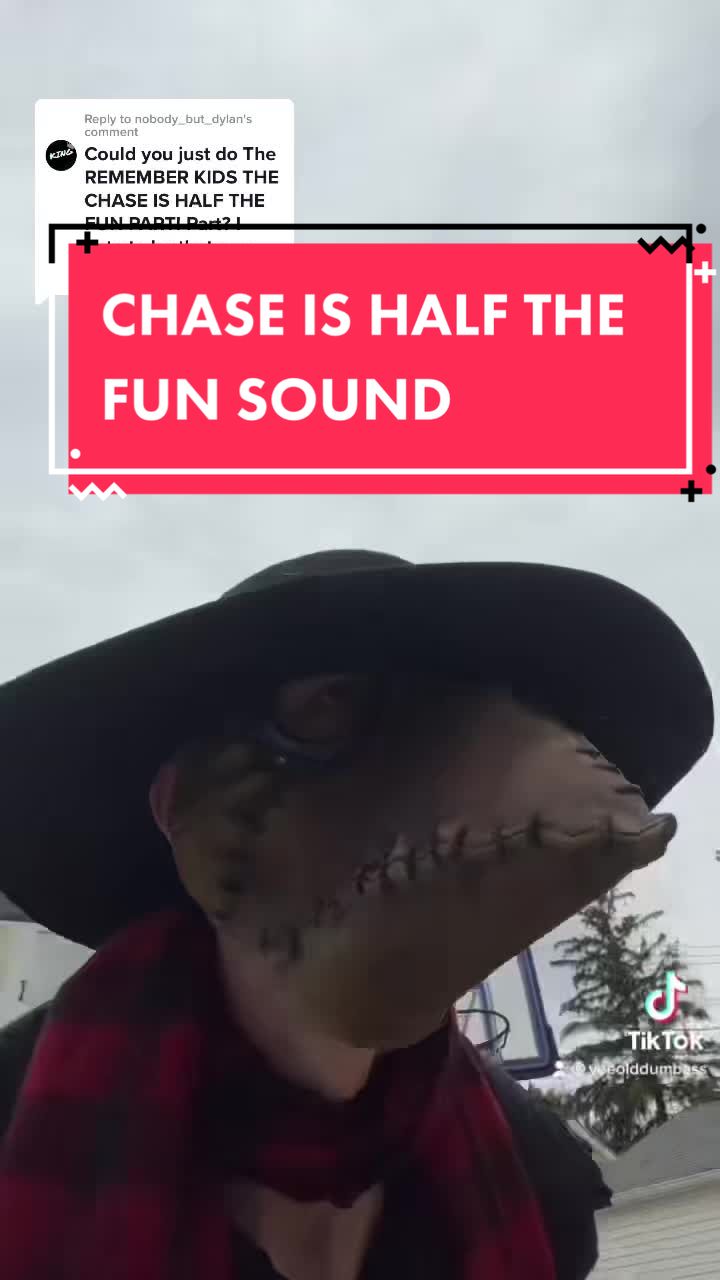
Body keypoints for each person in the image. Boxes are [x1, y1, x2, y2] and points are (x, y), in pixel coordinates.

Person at [0, 548, 712, 1280]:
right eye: (332, 703)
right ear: (178, 802)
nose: (452, 762)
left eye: (488, 716)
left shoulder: (536, 1184)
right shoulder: (20, 1123)